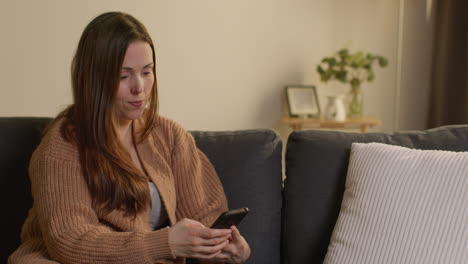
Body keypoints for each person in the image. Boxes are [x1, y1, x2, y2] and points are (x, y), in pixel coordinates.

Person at [9, 12, 250, 264]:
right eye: (123, 76)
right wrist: (165, 243)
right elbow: (70, 241)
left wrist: (226, 249)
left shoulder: (170, 137)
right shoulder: (62, 147)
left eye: (146, 72)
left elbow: (207, 219)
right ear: (94, 79)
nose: (139, 88)